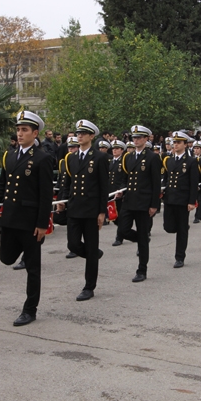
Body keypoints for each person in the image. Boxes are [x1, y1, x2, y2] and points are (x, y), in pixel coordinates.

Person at [0, 111, 53, 326]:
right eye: (18, 129)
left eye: (25, 130)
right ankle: (23, 251)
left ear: (35, 133)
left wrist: (42, 224)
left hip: (30, 221)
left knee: (33, 268)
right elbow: (3, 185)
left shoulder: (42, 158)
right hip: (10, 217)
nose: (20, 133)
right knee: (6, 258)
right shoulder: (10, 155)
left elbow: (45, 194)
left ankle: (30, 309)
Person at [57, 120, 109, 301]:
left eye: (83, 133)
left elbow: (104, 187)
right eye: (78, 133)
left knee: (91, 246)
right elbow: (67, 183)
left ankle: (89, 286)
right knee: (73, 244)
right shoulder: (71, 158)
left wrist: (102, 212)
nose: (79, 136)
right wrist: (62, 201)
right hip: (74, 207)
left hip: (91, 209)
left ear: (92, 136)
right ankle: (93, 254)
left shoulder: (100, 157)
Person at [117, 125, 162, 282]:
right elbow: (125, 177)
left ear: (145, 139)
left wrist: (154, 204)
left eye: (138, 137)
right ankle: (141, 239)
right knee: (122, 229)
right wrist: (121, 190)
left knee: (142, 235)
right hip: (129, 200)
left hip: (144, 202)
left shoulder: (152, 157)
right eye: (133, 138)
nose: (135, 140)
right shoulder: (128, 157)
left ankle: (142, 269)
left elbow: (156, 183)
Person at [161, 131, 199, 268]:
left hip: (183, 199)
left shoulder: (191, 161)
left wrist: (191, 201)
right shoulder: (168, 160)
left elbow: (194, 183)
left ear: (185, 144)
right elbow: (165, 179)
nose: (175, 145)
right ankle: (181, 228)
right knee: (168, 227)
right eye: (174, 142)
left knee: (182, 230)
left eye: (178, 142)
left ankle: (180, 257)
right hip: (170, 198)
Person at [109, 140, 127, 247]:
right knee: (114, 217)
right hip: (110, 192)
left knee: (119, 215)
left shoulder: (123, 162)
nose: (114, 151)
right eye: (113, 149)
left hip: (119, 192)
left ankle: (119, 237)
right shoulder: (110, 161)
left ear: (121, 150)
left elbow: (125, 178)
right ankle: (125, 230)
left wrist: (121, 190)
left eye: (117, 149)